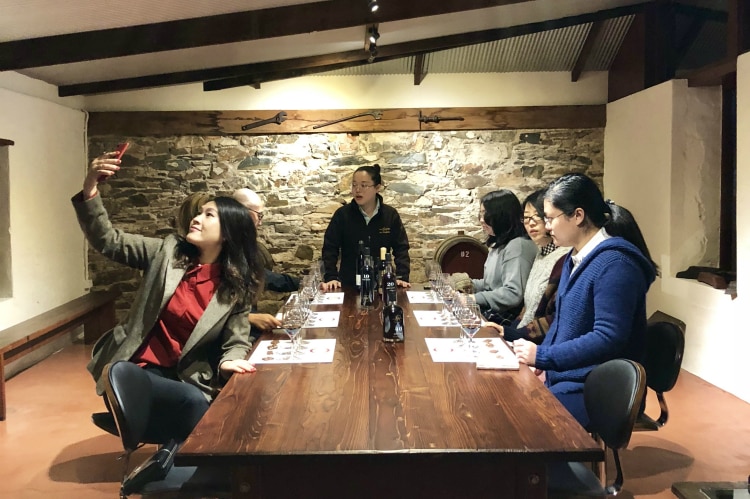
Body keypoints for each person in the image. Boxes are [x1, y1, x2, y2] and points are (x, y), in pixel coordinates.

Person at [75, 150, 263, 482]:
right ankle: (206, 478)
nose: (197, 218)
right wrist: (91, 186)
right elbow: (108, 240)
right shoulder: (168, 252)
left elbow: (236, 341)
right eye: (200, 212)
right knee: (193, 402)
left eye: (209, 215)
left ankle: (168, 462)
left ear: (229, 233)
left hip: (182, 377)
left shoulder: (236, 286)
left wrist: (228, 361)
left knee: (219, 408)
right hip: (135, 366)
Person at [512, 173, 658, 428]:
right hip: (570, 377)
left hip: (600, 388)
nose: (547, 227)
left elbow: (608, 337)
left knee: (522, 418)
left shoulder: (616, 264)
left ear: (577, 216)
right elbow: (561, 321)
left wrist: (545, 356)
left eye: (550, 218)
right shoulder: (575, 258)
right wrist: (544, 362)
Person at [486, 189, 569, 343]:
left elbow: (554, 319)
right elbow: (527, 308)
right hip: (523, 337)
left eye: (537, 216)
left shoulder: (564, 257)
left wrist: (513, 334)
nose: (531, 223)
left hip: (539, 344)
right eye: (526, 218)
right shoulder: (542, 254)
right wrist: (509, 331)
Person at [320, 164, 411, 291]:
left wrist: (402, 276)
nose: (357, 190)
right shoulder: (342, 215)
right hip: (348, 284)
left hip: (382, 284)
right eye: (354, 185)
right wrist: (331, 277)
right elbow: (330, 248)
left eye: (363, 185)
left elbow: (401, 248)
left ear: (377, 188)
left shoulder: (390, 215)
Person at [233, 188, 300, 337]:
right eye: (259, 215)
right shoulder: (223, 246)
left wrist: (301, 283)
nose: (260, 222)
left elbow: (262, 276)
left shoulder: (242, 245)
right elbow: (205, 308)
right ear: (243, 212)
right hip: (231, 342)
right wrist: (250, 317)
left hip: (242, 336)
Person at [465, 190, 537, 325]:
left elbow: (513, 294)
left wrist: (472, 298)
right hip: (496, 313)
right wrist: (466, 284)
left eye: (486, 214)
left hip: (507, 320)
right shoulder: (499, 244)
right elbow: (490, 284)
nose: (481, 220)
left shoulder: (518, 246)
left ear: (502, 216)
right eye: (480, 213)